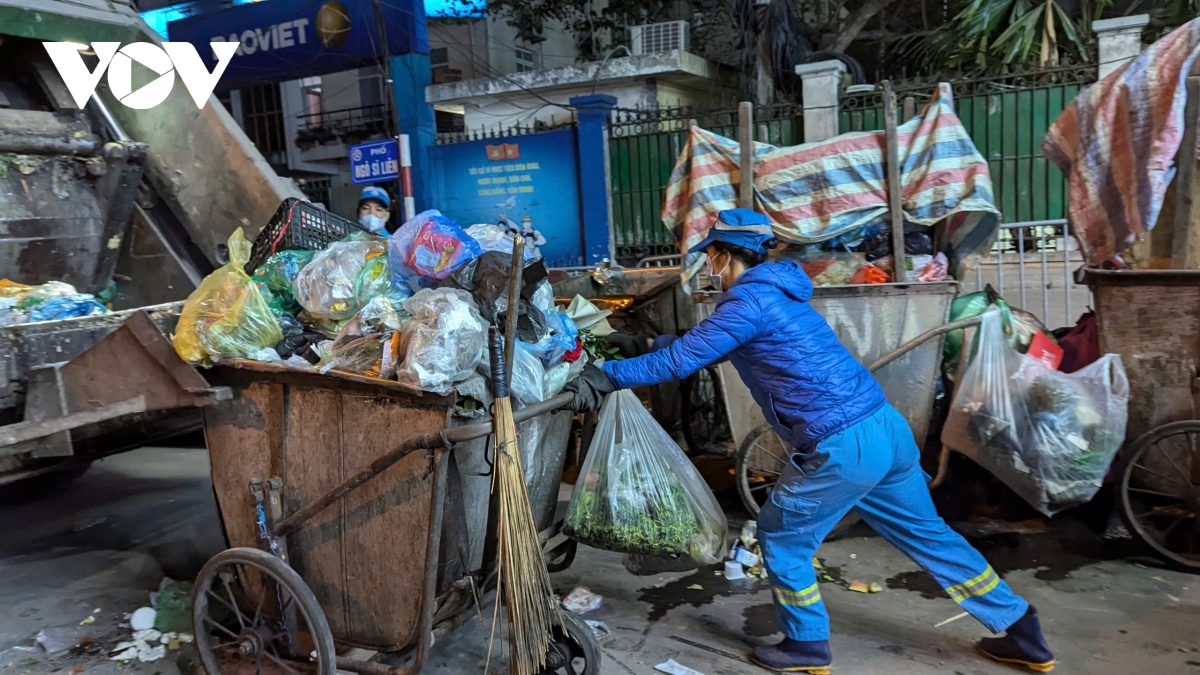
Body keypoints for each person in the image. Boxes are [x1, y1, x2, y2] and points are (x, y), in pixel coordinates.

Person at [565, 208, 1056, 674]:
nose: (709, 268)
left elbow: (680, 364)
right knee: (930, 537)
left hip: (841, 445)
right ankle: (1020, 627)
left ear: (722, 255)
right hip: (882, 429)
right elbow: (701, 345)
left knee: (781, 537)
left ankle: (806, 644)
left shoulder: (747, 302)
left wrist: (604, 374)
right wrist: (644, 345)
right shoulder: (775, 293)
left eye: (710, 257)